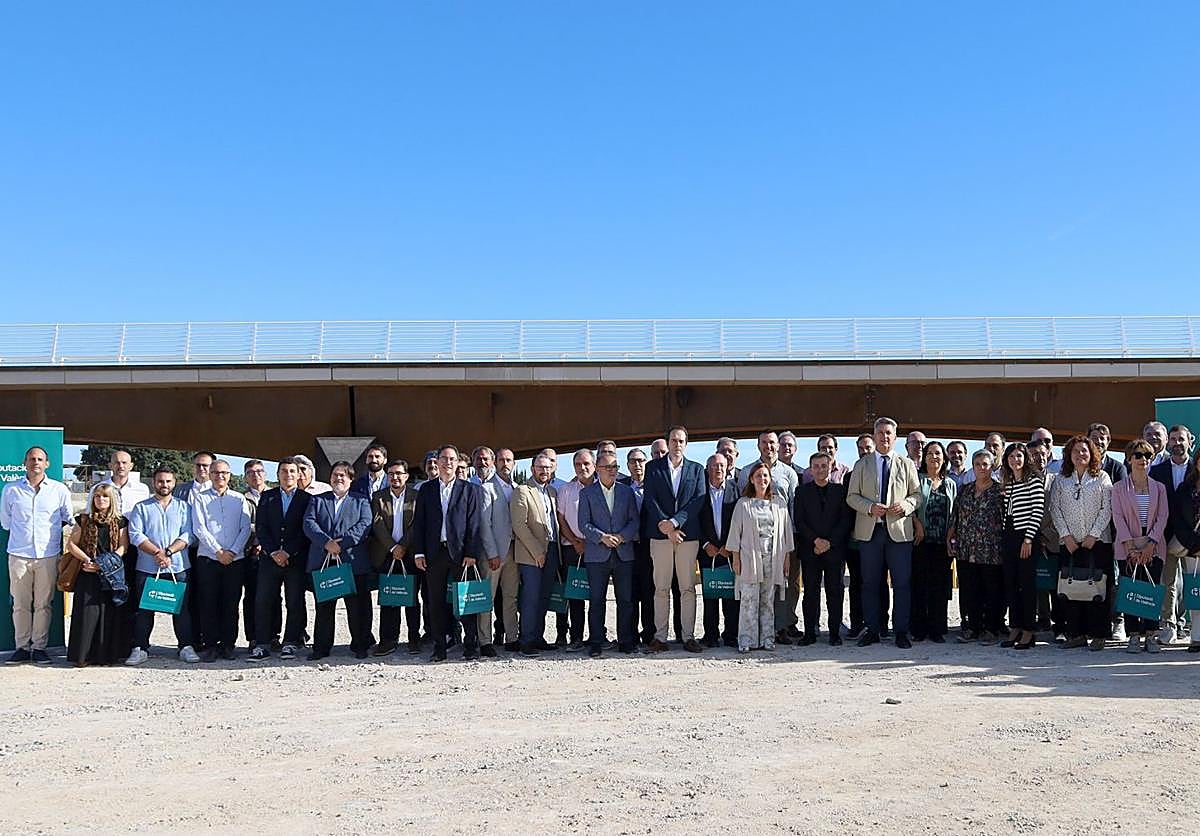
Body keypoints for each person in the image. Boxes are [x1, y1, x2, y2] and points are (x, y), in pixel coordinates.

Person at [845, 417, 921, 649]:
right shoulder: (862, 464)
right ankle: (873, 630)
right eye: (880, 433)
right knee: (869, 583)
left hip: (899, 532)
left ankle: (900, 632)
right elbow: (851, 497)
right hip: (871, 532)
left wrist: (905, 505)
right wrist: (869, 507)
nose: (884, 437)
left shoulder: (907, 464)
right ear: (874, 436)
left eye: (888, 433)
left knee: (902, 584)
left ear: (895, 437)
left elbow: (917, 495)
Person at [1, 445, 74, 665]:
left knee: (44, 604)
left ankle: (39, 648)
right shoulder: (11, 490)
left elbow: (68, 518)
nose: (36, 463)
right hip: (18, 555)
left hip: (48, 555)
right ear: (25, 463)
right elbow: (5, 522)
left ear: (47, 464)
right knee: (20, 604)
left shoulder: (59, 490)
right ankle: (22, 648)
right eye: (32, 459)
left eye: (40, 459)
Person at [411, 444, 483, 662]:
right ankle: (440, 646)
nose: (448, 463)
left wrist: (471, 552)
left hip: (461, 554)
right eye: (444, 458)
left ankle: (470, 645)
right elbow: (419, 523)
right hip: (434, 553)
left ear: (457, 462)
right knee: (435, 601)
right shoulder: (426, 489)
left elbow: (474, 524)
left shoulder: (469, 489)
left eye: (452, 459)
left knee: (466, 600)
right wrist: (419, 552)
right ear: (438, 462)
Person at [125, 466, 198, 665]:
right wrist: (157, 553)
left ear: (174, 483)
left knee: (181, 609)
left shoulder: (184, 507)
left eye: (168, 481)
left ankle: (185, 646)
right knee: (144, 610)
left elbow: (188, 534)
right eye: (160, 481)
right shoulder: (141, 507)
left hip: (178, 567)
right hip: (148, 567)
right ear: (153, 482)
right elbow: (135, 534)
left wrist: (169, 552)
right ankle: (140, 648)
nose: (164, 485)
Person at [643, 425, 707, 653]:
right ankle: (660, 637)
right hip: (660, 536)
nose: (677, 444)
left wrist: (675, 523)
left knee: (687, 588)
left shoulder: (697, 469)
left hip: (687, 537)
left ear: (686, 444)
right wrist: (666, 526)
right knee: (661, 588)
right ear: (668, 442)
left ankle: (688, 637)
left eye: (681, 441)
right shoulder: (653, 468)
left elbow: (698, 500)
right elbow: (650, 499)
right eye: (673, 440)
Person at [303, 461, 375, 661]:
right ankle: (321, 648)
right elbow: (309, 523)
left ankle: (360, 645)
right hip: (324, 560)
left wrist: (342, 544)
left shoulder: (361, 500)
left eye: (343, 475)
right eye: (335, 474)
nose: (338, 478)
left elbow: (365, 524)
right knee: (324, 608)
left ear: (351, 479)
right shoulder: (317, 500)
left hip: (352, 561)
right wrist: (327, 543)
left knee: (357, 608)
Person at [1049, 435, 1114, 651]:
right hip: (1070, 544)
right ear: (1069, 455)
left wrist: (1093, 535)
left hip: (1098, 543)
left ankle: (1098, 635)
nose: (1080, 454)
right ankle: (1075, 634)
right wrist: (1066, 536)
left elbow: (1107, 508)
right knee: (1073, 589)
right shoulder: (1061, 479)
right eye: (1075, 451)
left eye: (1084, 450)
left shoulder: (1102, 477)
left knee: (1097, 588)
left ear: (1091, 454)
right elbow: (1055, 509)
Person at [737, 430, 801, 644]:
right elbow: (742, 507)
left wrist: (790, 543)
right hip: (753, 543)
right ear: (758, 446)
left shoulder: (789, 473)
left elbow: (793, 507)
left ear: (778, 445)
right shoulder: (746, 471)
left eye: (772, 442)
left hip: (781, 540)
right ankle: (752, 635)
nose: (769, 446)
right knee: (753, 590)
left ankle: (781, 627)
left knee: (782, 585)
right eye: (764, 442)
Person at [88, 449, 151, 658]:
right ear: (110, 465)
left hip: (133, 548)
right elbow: (90, 515)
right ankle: (107, 645)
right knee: (108, 597)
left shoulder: (142, 489)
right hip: (106, 549)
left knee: (131, 595)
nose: (120, 466)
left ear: (131, 466)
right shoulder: (99, 488)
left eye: (124, 462)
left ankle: (132, 643)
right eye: (116, 462)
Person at [577, 451, 640, 657]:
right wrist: (602, 537)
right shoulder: (587, 493)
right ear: (597, 469)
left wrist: (622, 536)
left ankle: (626, 641)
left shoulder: (626, 492)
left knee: (626, 600)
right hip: (597, 554)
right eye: (608, 467)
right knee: (596, 600)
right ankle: (596, 642)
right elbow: (583, 524)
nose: (612, 471)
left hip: (623, 553)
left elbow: (634, 521)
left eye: (615, 467)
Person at [727, 462, 794, 652]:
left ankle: (767, 638)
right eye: (758, 476)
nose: (762, 479)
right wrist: (736, 558)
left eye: (765, 476)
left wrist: (786, 558)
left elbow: (786, 533)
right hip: (750, 558)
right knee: (748, 601)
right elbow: (735, 533)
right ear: (751, 479)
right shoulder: (743, 504)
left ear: (770, 479)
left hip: (773, 558)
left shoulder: (779, 503)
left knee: (767, 601)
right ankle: (746, 639)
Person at [249, 458, 311, 661]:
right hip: (269, 559)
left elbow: (306, 529)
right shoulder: (268, 497)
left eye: (292, 471)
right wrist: (274, 551)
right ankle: (262, 643)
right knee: (263, 601)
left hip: (295, 559)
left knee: (294, 601)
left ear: (299, 474)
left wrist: (288, 552)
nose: (288, 475)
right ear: (278, 475)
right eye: (284, 471)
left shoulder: (306, 499)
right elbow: (261, 527)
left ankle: (290, 642)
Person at [191, 460, 252, 661]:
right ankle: (210, 645)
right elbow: (199, 528)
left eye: (224, 472)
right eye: (216, 473)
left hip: (235, 560)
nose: (220, 476)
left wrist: (232, 552)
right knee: (208, 603)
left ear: (230, 475)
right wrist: (218, 551)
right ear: (210, 475)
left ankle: (228, 645)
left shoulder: (239, 499)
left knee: (231, 605)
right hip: (209, 559)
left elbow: (245, 528)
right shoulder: (200, 498)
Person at [1113, 439, 1169, 653]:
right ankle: (1134, 635)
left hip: (1153, 545)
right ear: (1129, 459)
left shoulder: (1159, 488)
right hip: (1127, 546)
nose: (1143, 459)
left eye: (1147, 455)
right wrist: (1130, 547)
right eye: (1138, 455)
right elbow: (1118, 517)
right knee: (1130, 590)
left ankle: (1151, 634)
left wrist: (1150, 544)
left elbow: (1163, 516)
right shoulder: (1119, 488)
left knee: (1150, 590)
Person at [64, 483, 130, 667]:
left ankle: (105, 656)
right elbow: (72, 544)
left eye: (105, 496)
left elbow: (123, 547)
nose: (101, 500)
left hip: (111, 574)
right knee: (86, 615)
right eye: (97, 496)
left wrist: (104, 564)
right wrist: (87, 560)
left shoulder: (120, 521)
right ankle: (82, 656)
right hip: (87, 572)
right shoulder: (83, 519)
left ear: (111, 499)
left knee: (108, 614)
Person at [794, 452, 851, 646]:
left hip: (834, 550)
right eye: (816, 466)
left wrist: (829, 542)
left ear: (830, 467)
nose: (820, 470)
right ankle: (809, 633)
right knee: (810, 593)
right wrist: (816, 541)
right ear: (810, 469)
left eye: (823, 466)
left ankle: (834, 633)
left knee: (835, 592)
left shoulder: (840, 491)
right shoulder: (802, 491)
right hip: (810, 549)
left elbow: (845, 520)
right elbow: (799, 521)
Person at [948, 451, 1004, 644]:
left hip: (991, 550)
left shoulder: (1000, 491)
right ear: (973, 467)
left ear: (992, 467)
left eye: (985, 464)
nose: (982, 467)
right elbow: (955, 515)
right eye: (978, 464)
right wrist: (951, 535)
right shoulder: (965, 490)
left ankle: (991, 629)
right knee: (969, 589)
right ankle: (972, 627)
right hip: (966, 548)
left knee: (991, 590)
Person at [511, 454, 561, 656]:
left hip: (552, 549)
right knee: (531, 597)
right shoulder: (522, 491)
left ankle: (538, 637)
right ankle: (526, 640)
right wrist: (537, 552)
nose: (544, 471)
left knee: (544, 596)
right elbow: (519, 525)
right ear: (532, 469)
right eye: (540, 467)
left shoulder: (552, 491)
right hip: (531, 553)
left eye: (548, 468)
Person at [369, 458, 419, 656]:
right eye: (391, 474)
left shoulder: (416, 496)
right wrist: (393, 547)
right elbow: (377, 524)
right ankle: (388, 640)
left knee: (411, 598)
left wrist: (403, 546)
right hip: (386, 554)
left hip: (410, 554)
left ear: (406, 476)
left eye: (399, 473)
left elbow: (417, 524)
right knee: (389, 598)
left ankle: (414, 639)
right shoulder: (378, 497)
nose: (395, 477)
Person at [999, 442, 1046, 650]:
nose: (1015, 460)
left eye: (1018, 456)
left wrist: (1028, 539)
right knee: (1011, 583)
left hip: (1025, 537)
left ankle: (1029, 630)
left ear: (1025, 458)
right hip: (1009, 535)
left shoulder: (1033, 480)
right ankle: (1015, 626)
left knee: (1026, 584)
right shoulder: (1009, 482)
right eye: (1011, 456)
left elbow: (1038, 510)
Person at [1150, 425, 1193, 645]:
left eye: (1181, 439)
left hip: (1193, 538)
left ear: (1190, 442)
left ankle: (1188, 624)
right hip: (1165, 535)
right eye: (1173, 439)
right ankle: (1169, 626)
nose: (1177, 443)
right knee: (1167, 583)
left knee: (1192, 582)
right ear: (1168, 442)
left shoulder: (1197, 469)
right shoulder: (1157, 471)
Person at [912, 441, 956, 643]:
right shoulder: (916, 479)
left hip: (942, 543)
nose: (933, 456)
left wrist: (950, 534)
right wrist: (917, 524)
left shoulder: (950, 483)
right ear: (924, 458)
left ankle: (937, 629)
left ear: (944, 458)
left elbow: (955, 513)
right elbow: (909, 505)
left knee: (939, 587)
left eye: (938, 453)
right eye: (929, 453)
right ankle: (919, 629)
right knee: (920, 585)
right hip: (920, 540)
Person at [478, 446, 519, 652]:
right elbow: (484, 524)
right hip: (493, 553)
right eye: (501, 460)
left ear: (514, 464)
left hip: (515, 552)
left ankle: (512, 637)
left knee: (511, 597)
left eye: (509, 460)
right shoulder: (487, 488)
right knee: (488, 597)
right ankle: (485, 641)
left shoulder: (518, 488)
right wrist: (491, 553)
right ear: (495, 463)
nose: (505, 464)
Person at [555, 449, 596, 651]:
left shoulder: (603, 488)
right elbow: (561, 519)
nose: (582, 467)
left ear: (594, 465)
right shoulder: (566, 490)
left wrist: (593, 541)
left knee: (597, 595)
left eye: (586, 463)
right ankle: (576, 637)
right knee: (576, 595)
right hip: (572, 549)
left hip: (597, 548)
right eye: (578, 464)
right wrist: (575, 541)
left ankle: (597, 636)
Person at [697, 453, 739, 648]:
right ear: (708, 469)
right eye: (714, 466)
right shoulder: (699, 490)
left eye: (721, 465)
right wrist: (706, 544)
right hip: (708, 552)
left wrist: (731, 545)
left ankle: (731, 635)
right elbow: (694, 520)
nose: (718, 469)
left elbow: (740, 521)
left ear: (727, 467)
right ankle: (710, 635)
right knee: (710, 597)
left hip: (729, 551)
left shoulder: (735, 489)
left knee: (731, 596)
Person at [1027, 441, 1067, 642]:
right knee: (1037, 584)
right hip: (1030, 540)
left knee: (1056, 585)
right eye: (1034, 454)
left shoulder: (1057, 480)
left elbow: (1061, 511)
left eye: (1042, 453)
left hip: (1053, 540)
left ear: (1048, 454)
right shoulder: (1022, 482)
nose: (1039, 457)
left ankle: (1060, 625)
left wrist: (1046, 535)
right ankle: (1042, 620)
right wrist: (1033, 536)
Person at [241, 459, 277, 652]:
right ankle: (254, 637)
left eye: (259, 471)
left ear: (266, 473)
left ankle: (274, 635)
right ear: (245, 477)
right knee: (252, 596)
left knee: (275, 597)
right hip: (250, 553)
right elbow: (241, 525)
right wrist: (257, 538)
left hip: (273, 553)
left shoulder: (275, 495)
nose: (256, 475)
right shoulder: (241, 498)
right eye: (251, 472)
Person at [1169, 446, 1200, 654]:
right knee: (1196, 594)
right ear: (1196, 462)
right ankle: (1196, 638)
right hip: (1191, 549)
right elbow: (1177, 519)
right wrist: (1194, 545)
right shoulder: (1185, 487)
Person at [625, 447, 655, 644]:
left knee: (649, 592)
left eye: (641, 461)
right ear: (628, 465)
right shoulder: (620, 487)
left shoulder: (655, 486)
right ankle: (631, 635)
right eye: (633, 461)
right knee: (629, 594)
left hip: (649, 547)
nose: (637, 465)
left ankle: (650, 634)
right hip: (627, 547)